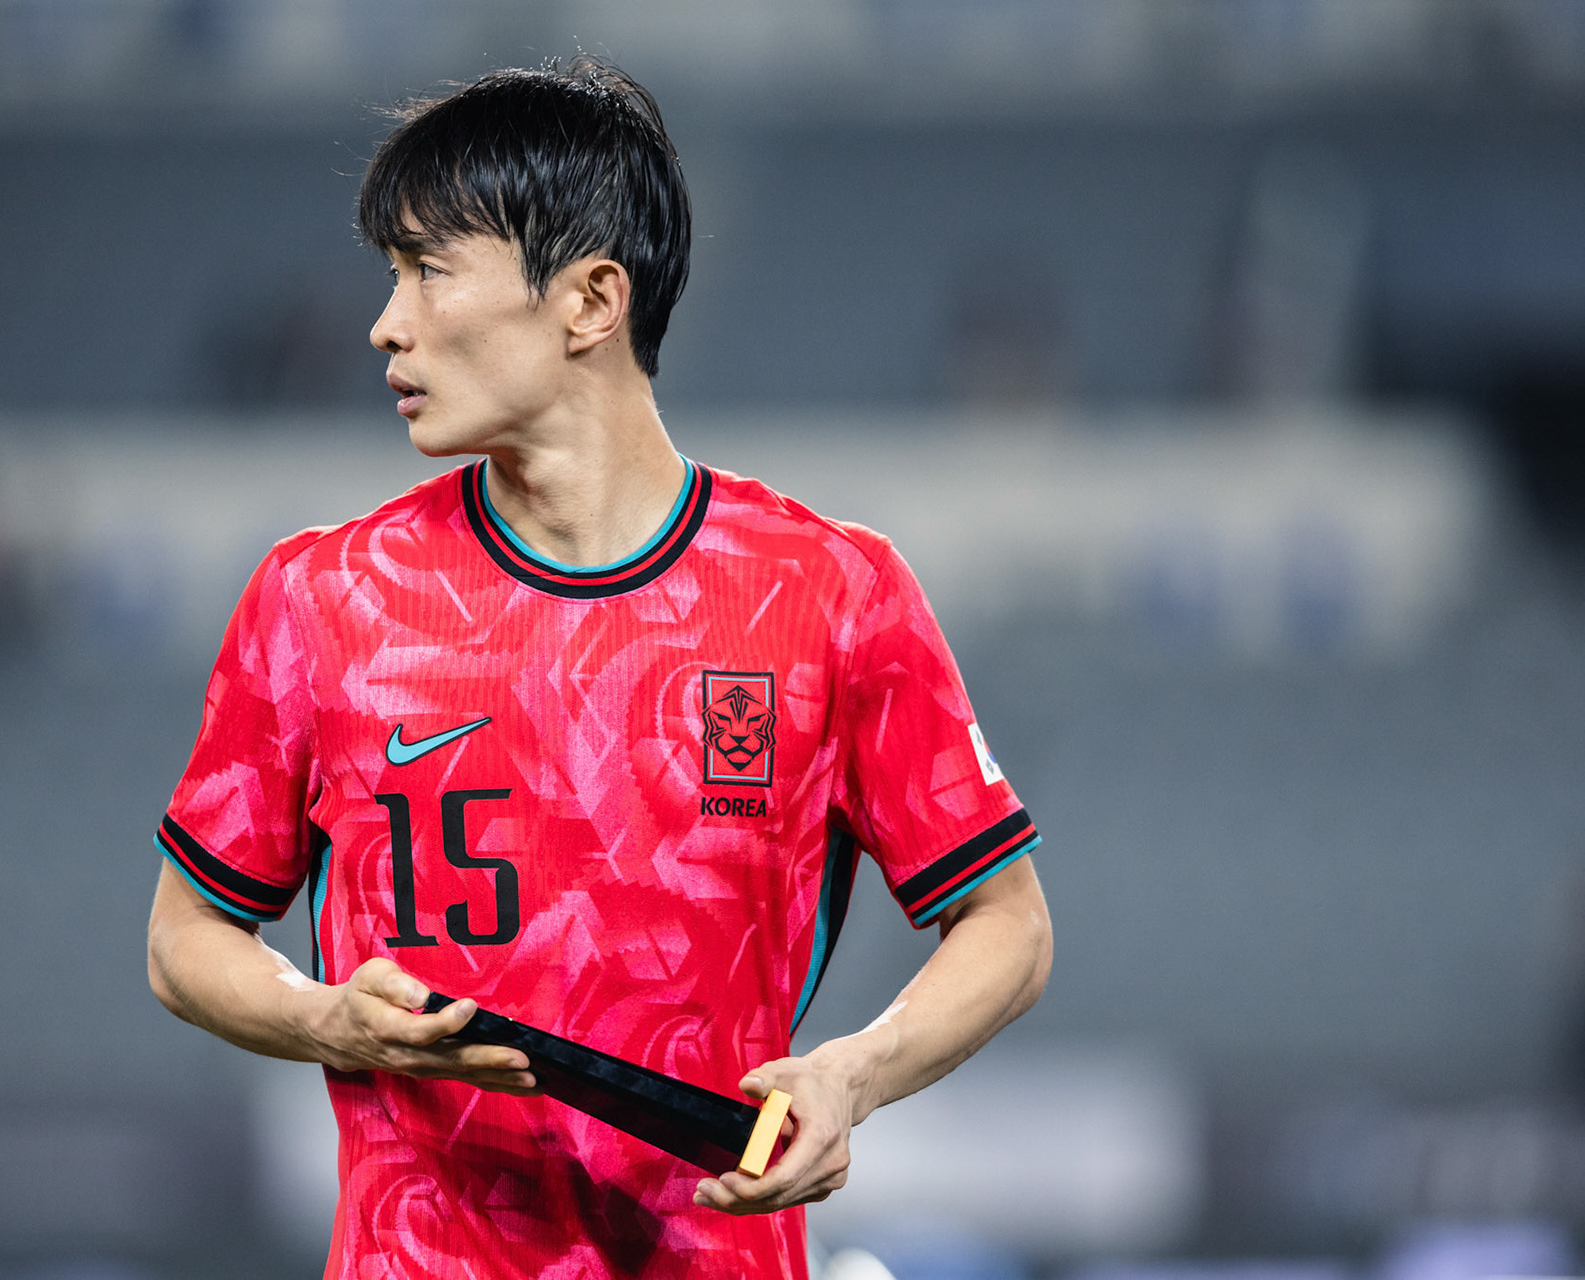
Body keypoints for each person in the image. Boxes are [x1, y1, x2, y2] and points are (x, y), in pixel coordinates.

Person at [146, 57, 1053, 1280]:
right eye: (389, 275)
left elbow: (1007, 922)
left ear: (589, 301)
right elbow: (185, 936)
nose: (387, 323)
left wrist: (854, 1073)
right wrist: (325, 1016)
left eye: (429, 270)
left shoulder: (831, 594)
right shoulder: (319, 599)